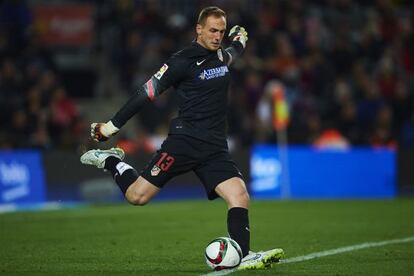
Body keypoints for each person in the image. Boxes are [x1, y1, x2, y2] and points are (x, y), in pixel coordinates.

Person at [80, 6, 284, 270]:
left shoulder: (221, 56)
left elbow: (234, 52)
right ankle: (110, 160)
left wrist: (239, 39)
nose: (217, 36)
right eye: (212, 30)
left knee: (240, 196)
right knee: (136, 196)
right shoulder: (181, 61)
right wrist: (111, 127)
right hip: (184, 142)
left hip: (214, 146)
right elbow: (146, 92)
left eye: (221, 32)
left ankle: (243, 255)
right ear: (198, 29)